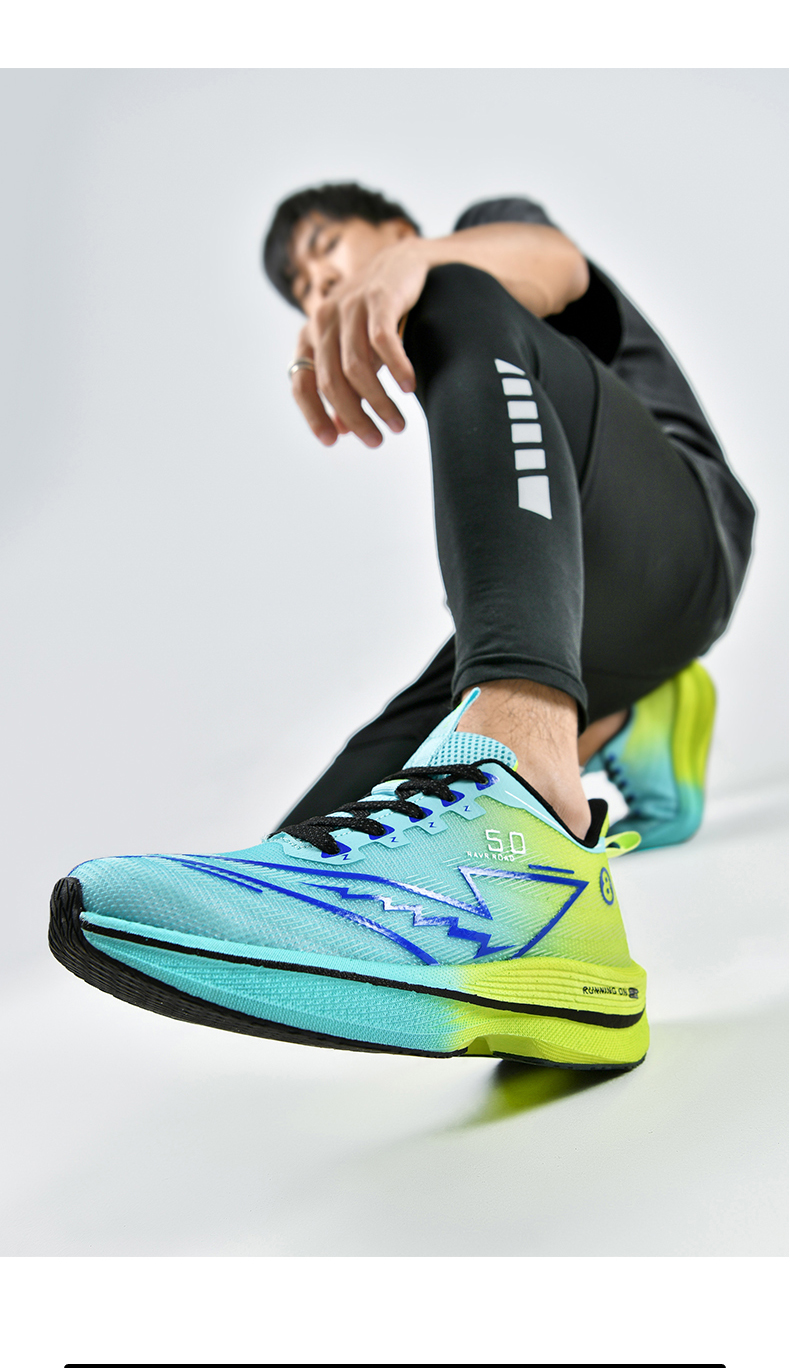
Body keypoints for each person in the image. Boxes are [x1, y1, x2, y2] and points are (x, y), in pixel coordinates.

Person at [49, 183, 755, 1071]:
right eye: (302, 286)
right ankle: (614, 748)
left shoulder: (478, 246)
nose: (317, 284)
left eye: (324, 248)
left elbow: (560, 264)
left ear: (392, 228)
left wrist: (418, 264)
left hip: (689, 544)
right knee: (313, 860)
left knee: (454, 291)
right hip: (584, 622)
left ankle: (531, 792)